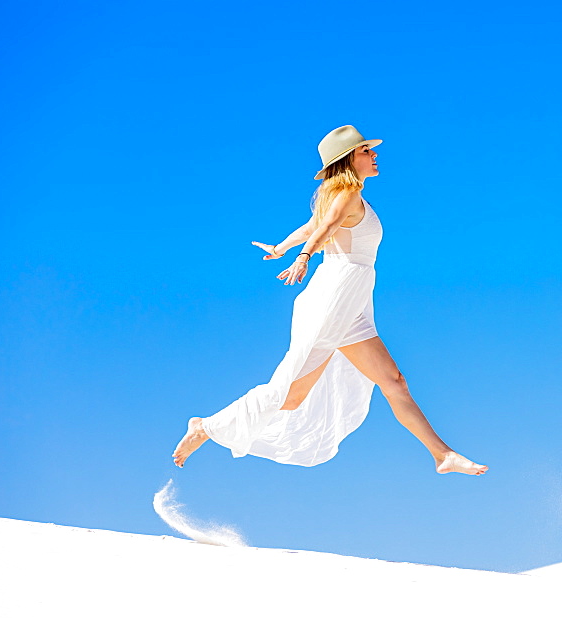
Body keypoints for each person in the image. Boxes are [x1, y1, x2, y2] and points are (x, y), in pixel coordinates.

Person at [171, 125, 488, 476]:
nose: (374, 155)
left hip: (353, 300)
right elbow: (324, 228)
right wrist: (303, 257)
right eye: (366, 151)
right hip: (335, 296)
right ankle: (205, 426)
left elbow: (312, 226)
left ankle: (441, 455)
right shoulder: (348, 193)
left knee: (394, 382)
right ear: (349, 159)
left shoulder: (346, 195)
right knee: (290, 395)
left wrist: (280, 248)